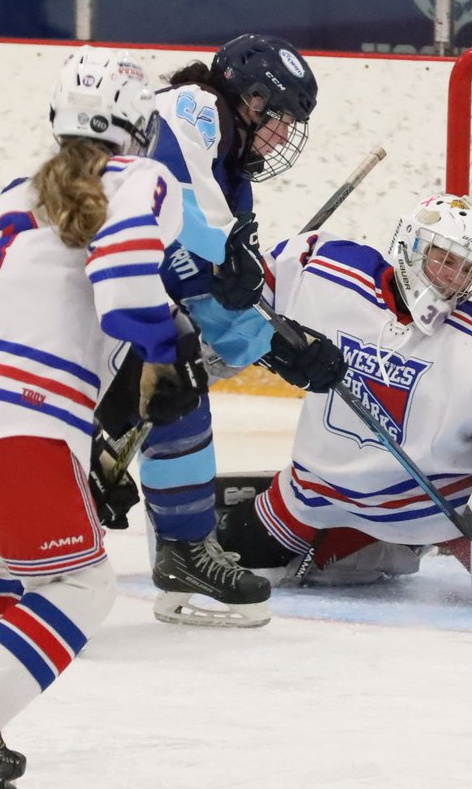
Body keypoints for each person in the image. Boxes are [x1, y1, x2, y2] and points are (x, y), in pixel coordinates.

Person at [0, 46, 201, 789]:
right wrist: (164, 358)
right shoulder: (143, 178)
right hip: (16, 414)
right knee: (83, 585)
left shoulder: (9, 194)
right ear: (138, 124)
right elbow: (127, 288)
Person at [89, 33, 346, 629]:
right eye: (277, 117)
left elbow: (221, 300)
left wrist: (284, 348)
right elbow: (176, 210)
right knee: (152, 385)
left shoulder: (235, 181)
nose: (282, 136)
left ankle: (183, 549)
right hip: (84, 297)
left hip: (120, 304)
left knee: (179, 383)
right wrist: (225, 256)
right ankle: (68, 495)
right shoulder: (191, 106)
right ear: (247, 98)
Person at [213, 193, 472, 582]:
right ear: (409, 243)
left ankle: (390, 542)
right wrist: (226, 299)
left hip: (431, 509)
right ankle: (364, 542)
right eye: (445, 259)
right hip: (317, 492)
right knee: (237, 547)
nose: (452, 278)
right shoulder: (326, 269)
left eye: (466, 269)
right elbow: (244, 301)